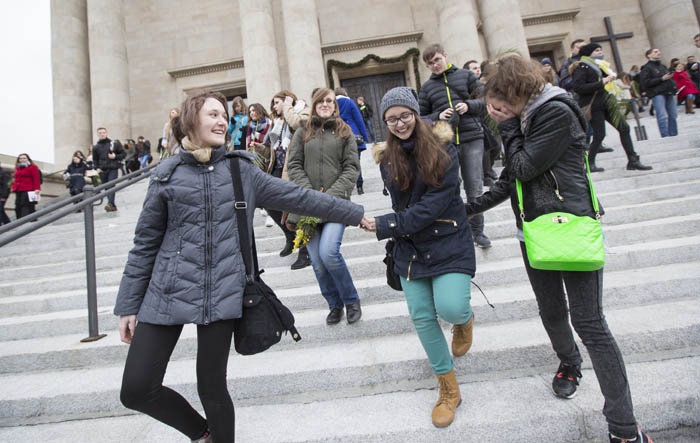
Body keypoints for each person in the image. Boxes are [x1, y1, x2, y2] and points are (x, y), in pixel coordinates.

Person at [114, 90, 366, 443]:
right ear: (190, 121)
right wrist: (128, 305)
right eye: (212, 115)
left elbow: (299, 197)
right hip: (166, 289)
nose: (222, 121)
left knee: (212, 388)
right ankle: (202, 433)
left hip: (223, 289)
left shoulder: (240, 169)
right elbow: (144, 245)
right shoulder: (166, 175)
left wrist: (355, 214)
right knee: (137, 389)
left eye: (223, 115)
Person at [466, 55, 654, 443]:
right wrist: (466, 209)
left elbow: (521, 166)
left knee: (590, 323)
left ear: (519, 93)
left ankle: (623, 427)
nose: (494, 111)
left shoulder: (553, 112)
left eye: (500, 103)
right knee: (551, 311)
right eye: (492, 103)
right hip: (534, 230)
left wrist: (510, 127)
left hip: (569, 227)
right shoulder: (524, 117)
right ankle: (569, 363)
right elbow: (510, 182)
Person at [360, 87, 476, 428]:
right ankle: (448, 389)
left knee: (451, 307)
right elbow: (402, 204)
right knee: (423, 317)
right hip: (410, 248)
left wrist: (386, 224)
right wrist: (394, 227)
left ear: (415, 114)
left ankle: (465, 320)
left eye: (404, 115)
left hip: (448, 237)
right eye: (391, 119)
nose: (399, 124)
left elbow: (434, 204)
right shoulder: (386, 158)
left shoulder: (444, 147)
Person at [286, 88, 363, 325]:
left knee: (329, 253)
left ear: (335, 106)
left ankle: (351, 300)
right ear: (315, 104)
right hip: (307, 206)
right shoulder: (302, 131)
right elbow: (294, 164)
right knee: (317, 263)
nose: (326, 104)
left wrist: (329, 196)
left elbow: (351, 168)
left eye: (330, 101)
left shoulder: (345, 132)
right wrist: (310, 193)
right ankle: (334, 304)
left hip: (335, 205)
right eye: (322, 100)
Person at [419, 43, 491, 249]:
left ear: (445, 56)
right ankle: (460, 232)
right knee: (451, 189)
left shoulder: (466, 76)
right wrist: (437, 116)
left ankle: (478, 232)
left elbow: (485, 101)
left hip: (472, 138)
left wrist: (469, 106)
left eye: (437, 60)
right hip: (445, 143)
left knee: (474, 188)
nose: (434, 65)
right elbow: (421, 118)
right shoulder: (426, 88)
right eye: (430, 63)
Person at [572, 43, 652, 172]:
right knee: (600, 134)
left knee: (624, 128)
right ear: (589, 53)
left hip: (606, 102)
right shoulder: (582, 67)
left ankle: (633, 160)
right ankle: (589, 162)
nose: (600, 52)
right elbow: (578, 87)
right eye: (597, 50)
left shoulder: (597, 66)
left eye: (601, 50)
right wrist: (601, 82)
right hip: (594, 105)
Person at [266, 90, 312, 268]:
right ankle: (290, 235)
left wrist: (287, 106)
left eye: (277, 102)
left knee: (298, 208)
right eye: (274, 104)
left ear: (287, 100)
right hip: (278, 168)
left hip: (298, 167)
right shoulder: (277, 123)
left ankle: (305, 251)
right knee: (268, 201)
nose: (274, 107)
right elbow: (273, 146)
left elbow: (298, 124)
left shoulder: (303, 111)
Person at [335, 87, 369, 195]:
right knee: (356, 161)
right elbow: (358, 119)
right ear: (344, 93)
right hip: (353, 134)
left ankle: (347, 187)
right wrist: (365, 136)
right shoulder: (349, 102)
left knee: (342, 163)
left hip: (338, 134)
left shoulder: (332, 103)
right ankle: (359, 186)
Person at [640, 48, 678, 137]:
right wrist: (661, 79)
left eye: (659, 51)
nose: (658, 53)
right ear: (649, 55)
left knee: (673, 114)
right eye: (655, 52)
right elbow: (645, 82)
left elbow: (669, 78)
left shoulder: (663, 66)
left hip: (668, 91)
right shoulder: (646, 68)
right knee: (662, 115)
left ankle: (673, 134)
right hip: (657, 93)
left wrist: (673, 85)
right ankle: (665, 135)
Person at [92, 127, 126, 212]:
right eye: (100, 133)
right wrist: (97, 168)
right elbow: (95, 159)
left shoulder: (113, 144)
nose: (102, 134)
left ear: (106, 133)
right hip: (102, 170)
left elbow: (123, 154)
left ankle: (110, 203)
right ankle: (112, 205)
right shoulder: (96, 147)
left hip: (112, 168)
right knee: (107, 188)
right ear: (97, 134)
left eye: (103, 132)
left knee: (111, 186)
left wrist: (115, 156)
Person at [10, 153, 41, 220]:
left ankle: (24, 220)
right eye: (20, 158)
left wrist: (37, 188)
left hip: (28, 189)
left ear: (28, 159)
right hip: (18, 189)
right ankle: (22, 219)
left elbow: (36, 178)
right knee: (17, 205)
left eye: (24, 158)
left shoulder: (33, 167)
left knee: (26, 205)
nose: (22, 160)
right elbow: (16, 179)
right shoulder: (18, 168)